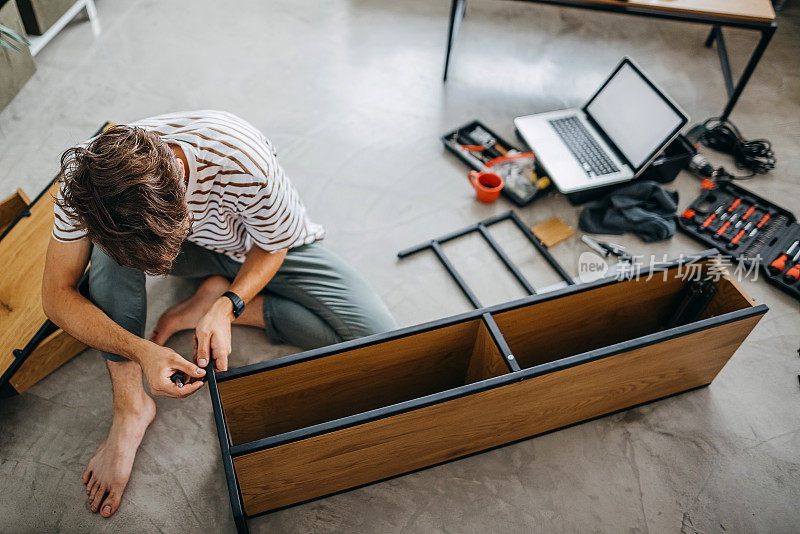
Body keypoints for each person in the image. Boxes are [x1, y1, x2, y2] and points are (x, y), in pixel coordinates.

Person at [40, 110, 397, 519]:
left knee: (382, 341)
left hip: (260, 246)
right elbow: (56, 296)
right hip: (189, 249)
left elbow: (275, 246)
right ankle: (130, 409)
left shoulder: (242, 160)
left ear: (178, 173)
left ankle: (212, 300)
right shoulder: (85, 184)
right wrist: (142, 351)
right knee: (107, 259)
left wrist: (230, 305)